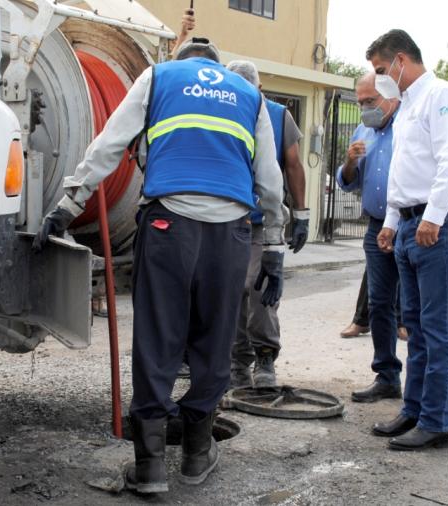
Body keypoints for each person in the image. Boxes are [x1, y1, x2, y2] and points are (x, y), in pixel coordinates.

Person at [33, 38, 286, 492]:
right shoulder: (249, 95)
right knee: (214, 339)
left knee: (158, 338)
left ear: (182, 62)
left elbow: (110, 144)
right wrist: (274, 245)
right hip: (230, 232)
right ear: (216, 67)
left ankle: (149, 467)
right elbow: (269, 178)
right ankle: (194, 455)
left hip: (171, 222)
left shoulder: (160, 76)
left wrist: (70, 205)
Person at [367, 29, 448, 451]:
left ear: (400, 61)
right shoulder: (407, 104)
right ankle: (414, 410)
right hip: (411, 223)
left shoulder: (442, 95)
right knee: (414, 326)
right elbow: (404, 169)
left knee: (437, 325)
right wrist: (392, 220)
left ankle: (437, 421)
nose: (378, 79)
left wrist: (432, 216)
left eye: (380, 70)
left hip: (438, 222)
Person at [225, 60, 309, 388]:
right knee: (230, 290)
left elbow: (293, 164)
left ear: (260, 90)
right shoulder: (221, 110)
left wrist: (301, 214)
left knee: (258, 287)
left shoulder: (277, 114)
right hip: (227, 218)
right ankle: (236, 363)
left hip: (263, 221)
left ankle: (264, 355)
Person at [336, 73, 405, 403]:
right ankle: (387, 375)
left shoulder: (408, 126)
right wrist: (350, 162)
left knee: (415, 308)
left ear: (391, 97)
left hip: (410, 225)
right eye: (360, 102)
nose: (364, 108)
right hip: (377, 227)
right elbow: (348, 182)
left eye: (370, 102)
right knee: (379, 303)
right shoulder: (363, 131)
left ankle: (422, 383)